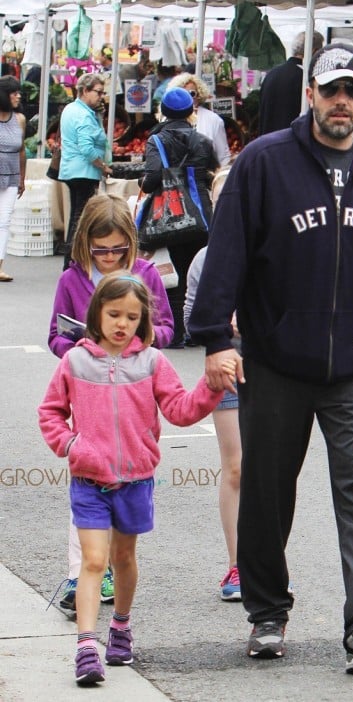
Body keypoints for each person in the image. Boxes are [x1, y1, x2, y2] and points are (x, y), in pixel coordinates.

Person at [188, 43, 353, 673]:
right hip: (276, 360)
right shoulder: (264, 163)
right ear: (310, 95)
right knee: (267, 492)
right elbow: (227, 254)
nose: (340, 101)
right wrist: (215, 340)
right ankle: (267, 613)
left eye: (351, 90)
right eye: (329, 90)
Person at [39, 270, 230, 686]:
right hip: (88, 480)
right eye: (113, 314)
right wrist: (73, 447)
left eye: (130, 316)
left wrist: (212, 387)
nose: (122, 324)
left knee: (123, 558)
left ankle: (121, 626)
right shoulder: (74, 361)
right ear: (97, 314)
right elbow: (50, 413)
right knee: (93, 561)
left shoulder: (152, 362)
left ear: (142, 318)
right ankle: (87, 647)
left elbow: (180, 409)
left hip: (137, 480)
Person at [48, 193, 174, 611]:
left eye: (118, 249)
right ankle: (79, 574)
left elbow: (169, 327)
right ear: (84, 243)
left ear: (131, 244)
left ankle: (112, 575)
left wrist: (141, 343)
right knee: (85, 484)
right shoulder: (72, 279)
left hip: (134, 396)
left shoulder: (144, 274)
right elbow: (54, 336)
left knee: (126, 502)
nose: (108, 258)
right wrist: (74, 347)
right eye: (100, 250)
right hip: (88, 392)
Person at [183, 166, 242, 600]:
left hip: (275, 370)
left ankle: (268, 562)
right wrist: (223, 327)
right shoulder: (206, 259)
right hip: (226, 371)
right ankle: (238, 566)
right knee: (237, 468)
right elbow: (191, 318)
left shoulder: (276, 251)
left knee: (272, 472)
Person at [142, 88, 219, 349]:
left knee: (172, 273)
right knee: (194, 272)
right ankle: (195, 330)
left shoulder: (157, 141)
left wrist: (144, 181)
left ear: (163, 112)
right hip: (200, 214)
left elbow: (152, 178)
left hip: (169, 213)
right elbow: (210, 172)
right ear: (190, 111)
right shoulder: (203, 141)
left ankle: (174, 334)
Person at [58, 73, 113, 269]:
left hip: (73, 169)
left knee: (77, 215)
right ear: (84, 91)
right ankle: (72, 261)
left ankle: (72, 260)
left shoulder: (72, 109)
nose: (101, 96)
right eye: (98, 92)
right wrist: (103, 166)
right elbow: (87, 148)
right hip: (84, 171)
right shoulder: (82, 115)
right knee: (80, 218)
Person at [258, 30, 324, 135]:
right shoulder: (305, 79)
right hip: (289, 142)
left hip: (266, 140)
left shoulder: (271, 74)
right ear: (314, 51)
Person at [167, 73, 231, 166]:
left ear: (199, 95)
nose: (187, 98)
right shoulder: (167, 119)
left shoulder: (213, 120)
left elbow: (223, 157)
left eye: (192, 93)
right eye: (182, 94)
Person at [0, 75, 26, 282]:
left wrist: (22, 179)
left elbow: (22, 151)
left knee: (4, 221)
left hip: (11, 176)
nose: (18, 96)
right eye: (14, 92)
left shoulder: (20, 119)